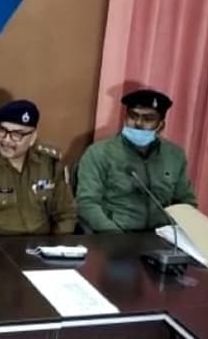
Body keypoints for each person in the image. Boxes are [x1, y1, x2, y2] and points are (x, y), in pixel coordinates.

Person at [76, 89, 196, 232]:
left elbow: (186, 203)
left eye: (148, 119)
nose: (138, 123)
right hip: (116, 234)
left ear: (160, 125)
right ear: (125, 118)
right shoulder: (99, 153)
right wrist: (114, 235)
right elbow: (87, 203)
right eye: (133, 116)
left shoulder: (174, 155)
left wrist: (176, 233)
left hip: (161, 236)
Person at [0, 100, 76, 236]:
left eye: (17, 135)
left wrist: (57, 245)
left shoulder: (49, 163)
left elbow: (66, 214)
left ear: (32, 138)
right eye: (2, 130)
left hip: (43, 243)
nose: (6, 140)